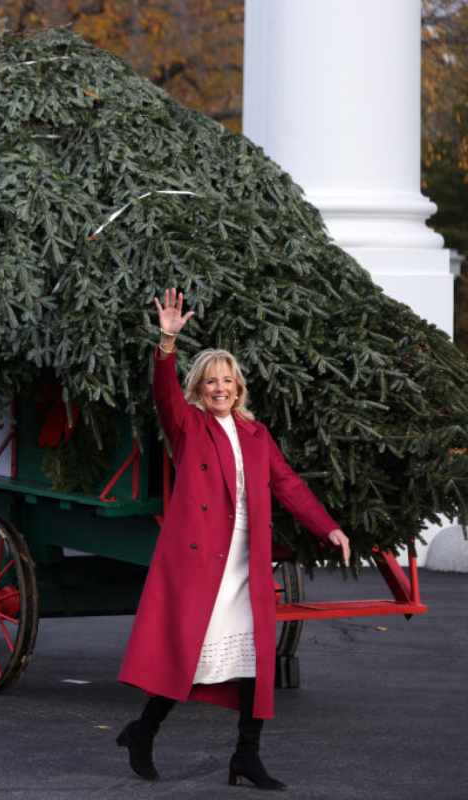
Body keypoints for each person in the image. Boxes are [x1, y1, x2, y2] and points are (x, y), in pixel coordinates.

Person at [116, 288, 351, 790]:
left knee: (255, 660)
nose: (220, 388)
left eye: (227, 380)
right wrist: (167, 342)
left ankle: (246, 756)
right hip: (205, 560)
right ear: (198, 388)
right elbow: (164, 395)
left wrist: (326, 525)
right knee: (192, 654)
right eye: (210, 381)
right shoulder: (188, 426)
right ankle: (143, 730)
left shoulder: (256, 434)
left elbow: (287, 484)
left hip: (248, 557)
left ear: (239, 387)